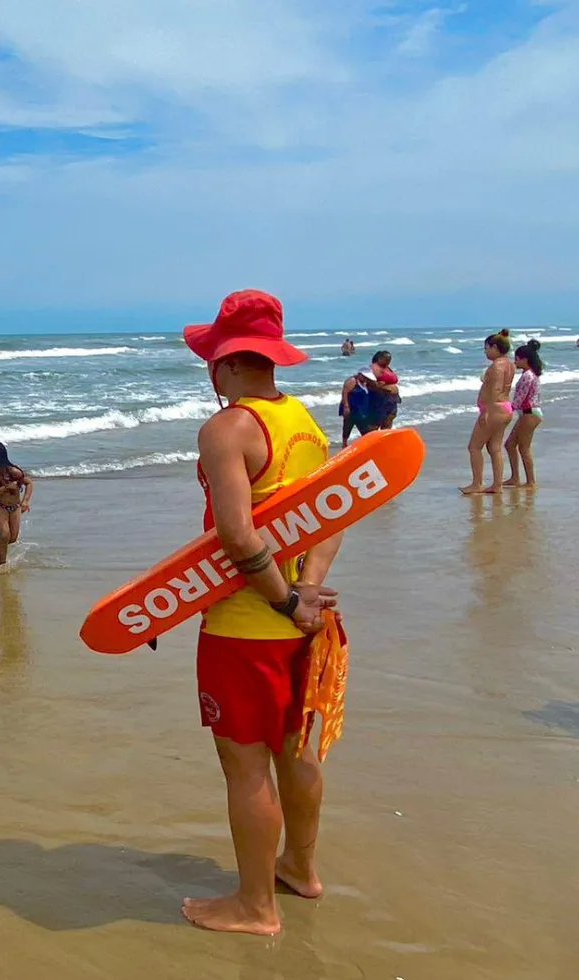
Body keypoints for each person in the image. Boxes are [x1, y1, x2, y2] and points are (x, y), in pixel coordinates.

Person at [180, 289, 344, 936]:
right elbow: (336, 515)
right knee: (298, 753)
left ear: (223, 362)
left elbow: (238, 537)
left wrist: (280, 600)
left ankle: (255, 906)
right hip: (309, 621)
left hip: (246, 629)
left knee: (246, 766)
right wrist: (306, 596)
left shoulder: (227, 428)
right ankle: (299, 870)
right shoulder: (303, 422)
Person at [461, 331, 514, 495]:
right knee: (494, 448)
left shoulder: (497, 366)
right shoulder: (510, 364)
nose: (485, 352)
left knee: (474, 447)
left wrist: (486, 412)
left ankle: (477, 483)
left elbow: (496, 388)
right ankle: (497, 485)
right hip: (506, 407)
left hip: (494, 409)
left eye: (487, 348)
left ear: (495, 347)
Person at [0, 440, 34, 568]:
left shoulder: (13, 472)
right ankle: (2, 564)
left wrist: (25, 500)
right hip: (0, 506)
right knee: (4, 534)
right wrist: (6, 487)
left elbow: (29, 483)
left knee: (12, 538)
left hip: (15, 507)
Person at [337, 351, 400, 444]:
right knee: (367, 425)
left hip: (390, 401)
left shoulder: (387, 368)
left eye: (389, 359)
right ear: (378, 358)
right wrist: (383, 388)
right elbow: (369, 384)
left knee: (387, 422)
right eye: (386, 358)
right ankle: (349, 442)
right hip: (380, 400)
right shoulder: (371, 369)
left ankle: (382, 441)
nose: (388, 360)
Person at [504, 340, 544, 489]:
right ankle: (515, 478)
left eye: (517, 358)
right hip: (528, 413)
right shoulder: (531, 374)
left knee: (524, 448)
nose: (515, 361)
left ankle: (530, 481)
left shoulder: (527, 376)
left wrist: (505, 409)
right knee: (510, 445)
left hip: (530, 414)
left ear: (524, 359)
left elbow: (520, 398)